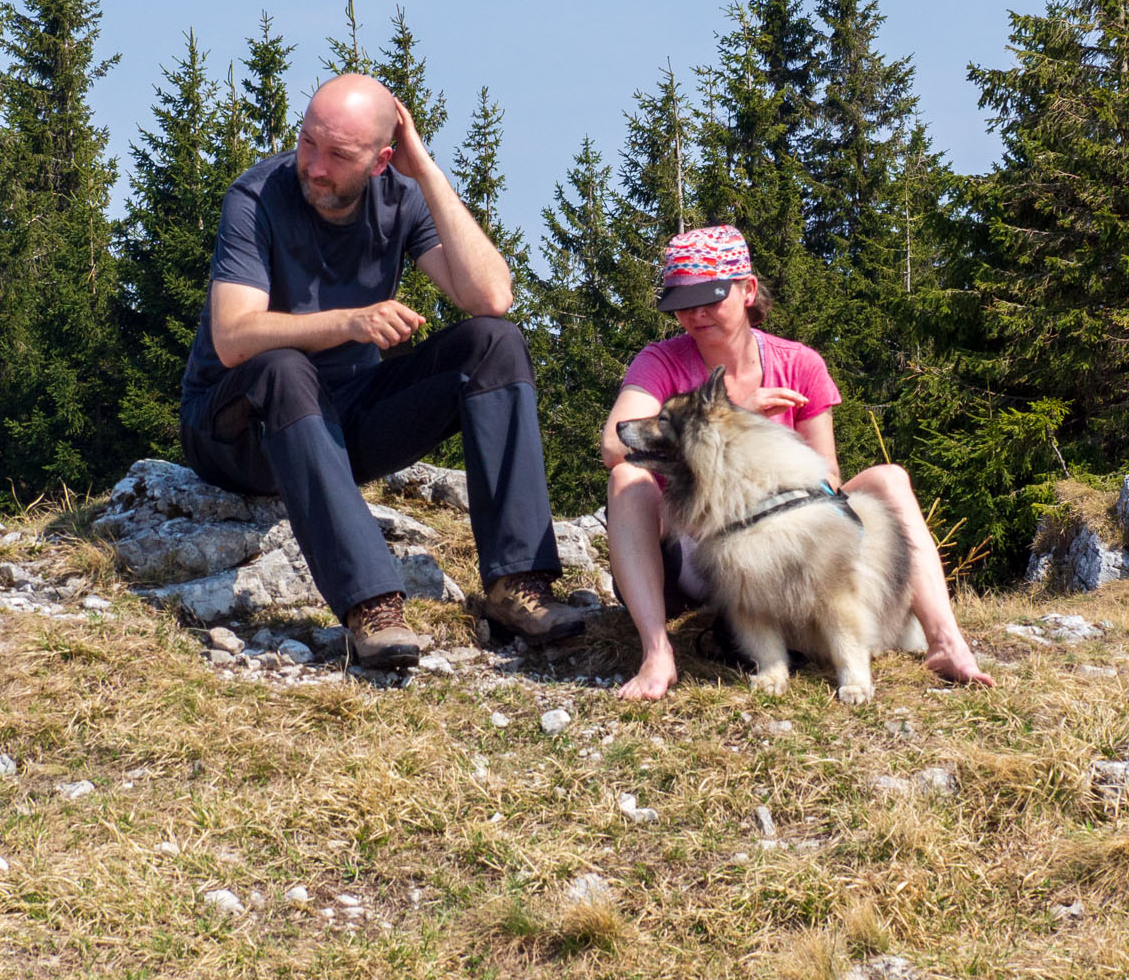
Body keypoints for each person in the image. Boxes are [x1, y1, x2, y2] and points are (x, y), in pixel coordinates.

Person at [179, 73, 584, 668]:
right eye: (307, 142)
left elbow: (492, 296)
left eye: (337, 155)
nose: (313, 166)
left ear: (381, 160)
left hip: (339, 424)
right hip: (239, 430)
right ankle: (372, 605)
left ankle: (514, 583)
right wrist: (349, 322)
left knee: (494, 343)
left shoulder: (401, 195)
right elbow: (234, 336)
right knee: (285, 368)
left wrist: (427, 174)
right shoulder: (257, 196)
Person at [600, 225, 996, 700]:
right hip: (694, 546)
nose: (695, 313)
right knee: (627, 479)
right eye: (683, 303)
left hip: (783, 551)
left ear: (748, 289)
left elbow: (827, 475)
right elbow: (613, 445)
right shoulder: (661, 360)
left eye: (710, 297)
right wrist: (738, 409)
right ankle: (657, 654)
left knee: (890, 479)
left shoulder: (800, 362)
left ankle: (945, 641)